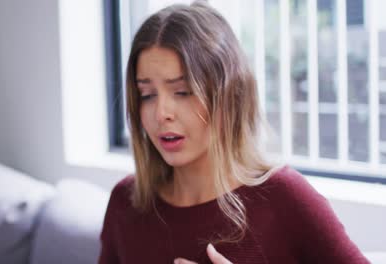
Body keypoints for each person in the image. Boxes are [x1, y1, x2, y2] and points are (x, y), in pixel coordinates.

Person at [98, 1, 369, 263]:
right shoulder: (125, 203)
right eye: (146, 94)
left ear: (229, 96)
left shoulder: (285, 198)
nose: (161, 113)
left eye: (182, 92)